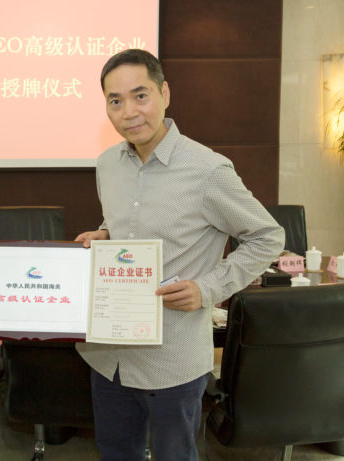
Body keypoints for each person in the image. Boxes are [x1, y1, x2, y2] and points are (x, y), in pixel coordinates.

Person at [75, 49, 284, 461]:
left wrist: (207, 289)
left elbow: (267, 236)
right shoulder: (107, 164)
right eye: (115, 101)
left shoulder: (208, 170)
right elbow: (128, 220)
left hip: (171, 357)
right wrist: (106, 234)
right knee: (115, 453)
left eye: (140, 95)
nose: (129, 111)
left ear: (165, 93)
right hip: (108, 353)